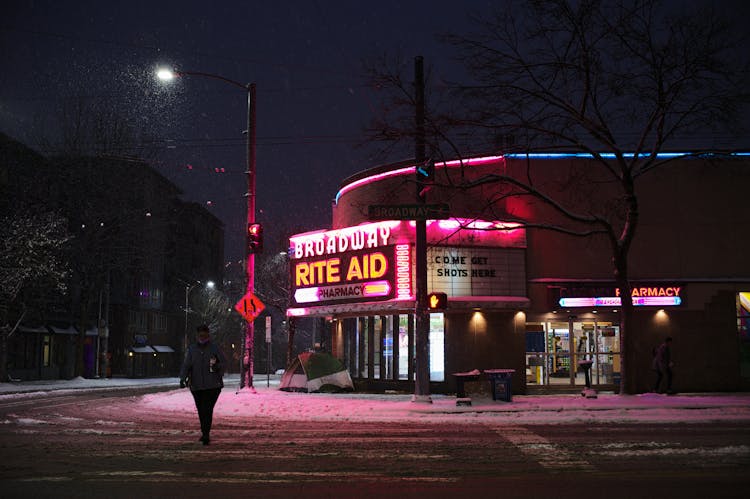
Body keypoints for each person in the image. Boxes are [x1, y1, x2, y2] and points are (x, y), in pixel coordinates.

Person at [179, 324, 227, 445]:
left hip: (213, 386)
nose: (202, 337)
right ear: (197, 335)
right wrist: (182, 378)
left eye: (204, 335)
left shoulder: (214, 349)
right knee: (201, 410)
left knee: (207, 409)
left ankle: (206, 434)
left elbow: (224, 363)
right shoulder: (192, 349)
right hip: (196, 386)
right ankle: (204, 431)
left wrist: (218, 367)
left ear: (208, 335)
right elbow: (186, 365)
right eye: (200, 335)